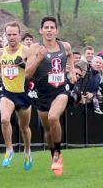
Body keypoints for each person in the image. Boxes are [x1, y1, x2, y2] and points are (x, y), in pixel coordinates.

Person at [26, 16, 76, 177]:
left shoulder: (65, 46)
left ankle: (58, 153)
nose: (49, 30)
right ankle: (53, 155)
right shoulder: (35, 48)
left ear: (56, 30)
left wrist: (72, 70)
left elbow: (70, 55)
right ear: (41, 30)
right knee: (48, 131)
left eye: (52, 27)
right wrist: (38, 58)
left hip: (61, 91)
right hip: (42, 94)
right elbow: (27, 74)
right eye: (46, 27)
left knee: (54, 118)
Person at [0, 21, 33, 171]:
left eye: (14, 34)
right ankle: (9, 150)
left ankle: (27, 151)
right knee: (4, 120)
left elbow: (34, 70)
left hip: (23, 94)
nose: (11, 37)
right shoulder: (0, 52)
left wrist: (23, 65)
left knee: (24, 127)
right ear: (5, 35)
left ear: (19, 35)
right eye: (8, 34)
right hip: (7, 93)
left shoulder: (26, 51)